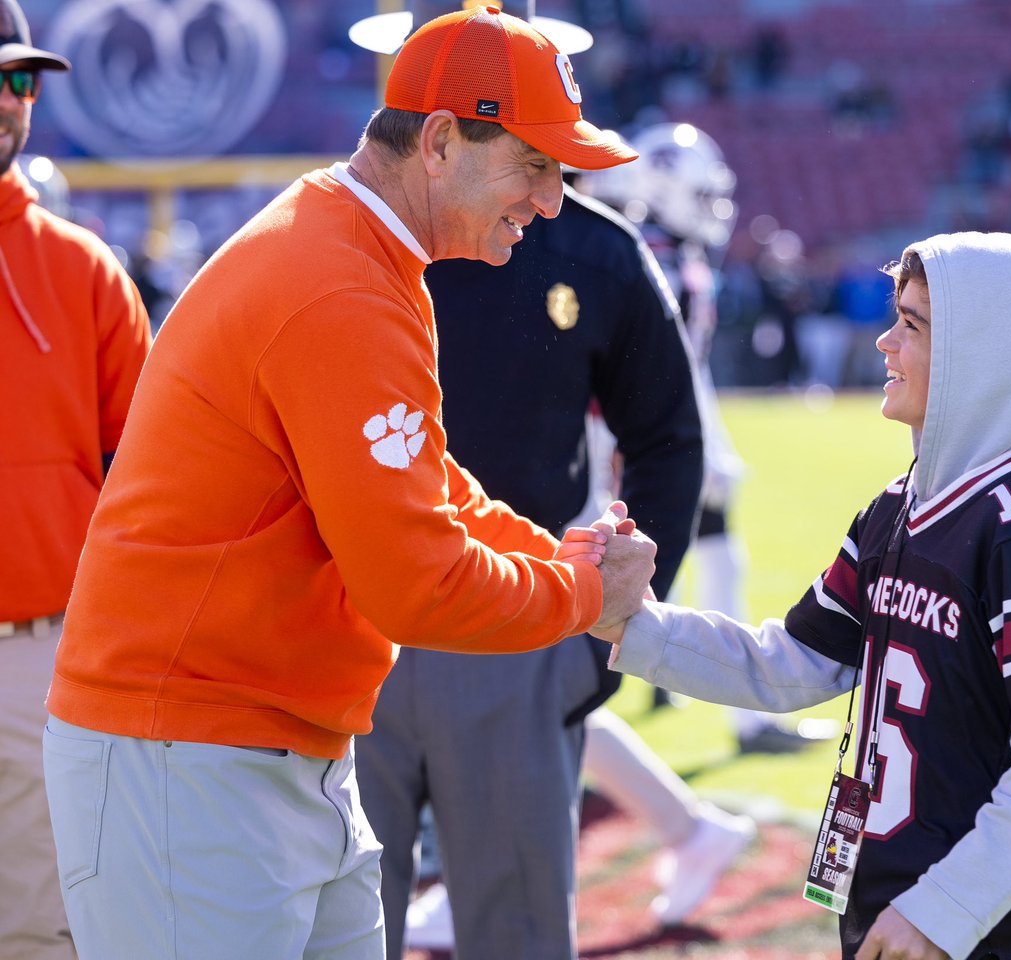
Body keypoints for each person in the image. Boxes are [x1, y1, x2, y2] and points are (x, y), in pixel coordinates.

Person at [40, 9, 655, 960]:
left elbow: (427, 481)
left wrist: (556, 555)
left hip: (255, 748)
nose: (552, 200)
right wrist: (581, 594)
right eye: (535, 164)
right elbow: (415, 583)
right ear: (442, 140)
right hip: (190, 758)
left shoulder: (359, 250)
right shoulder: (342, 281)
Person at [588, 232, 1011, 960]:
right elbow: (792, 662)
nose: (883, 342)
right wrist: (634, 623)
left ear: (987, 354)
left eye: (914, 324)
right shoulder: (893, 510)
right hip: (886, 891)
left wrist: (946, 908)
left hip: (982, 924)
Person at [355, 171, 706, 959]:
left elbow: (668, 443)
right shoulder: (342, 233)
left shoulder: (594, 248)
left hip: (514, 620)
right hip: (348, 618)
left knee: (515, 933)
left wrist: (610, 629)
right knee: (333, 931)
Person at [581, 122, 820, 752]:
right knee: (619, 573)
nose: (715, 209)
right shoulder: (652, 256)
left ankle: (685, 686)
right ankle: (741, 713)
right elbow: (665, 373)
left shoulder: (658, 249)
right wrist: (697, 446)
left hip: (637, 436)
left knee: (686, 552)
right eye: (702, 193)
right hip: (634, 441)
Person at [0, 3, 151, 956]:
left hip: (42, 656)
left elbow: (155, 487)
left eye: (20, 80)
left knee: (43, 931)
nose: (9, 101)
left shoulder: (86, 270)